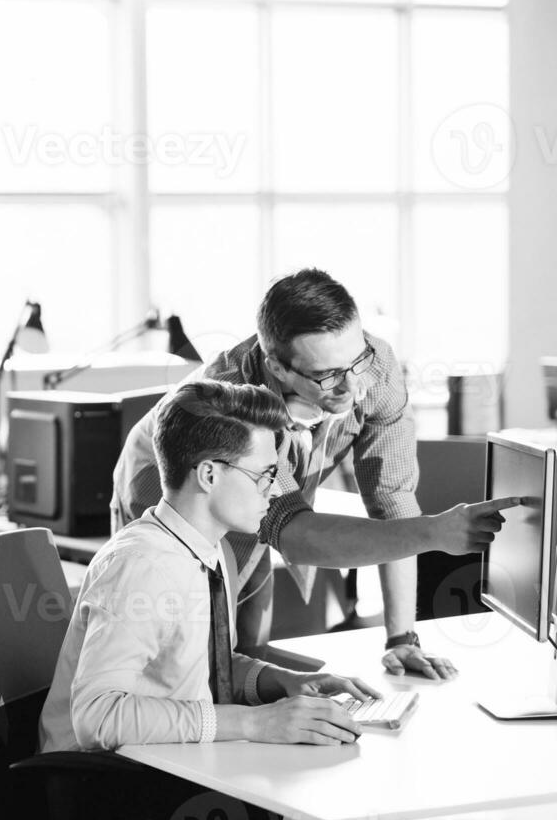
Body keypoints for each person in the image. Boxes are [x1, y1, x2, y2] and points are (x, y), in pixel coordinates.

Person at [41, 380, 503, 820]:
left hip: (172, 771)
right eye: (264, 474)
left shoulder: (204, 546)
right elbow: (96, 718)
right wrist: (258, 724)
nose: (275, 487)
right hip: (113, 799)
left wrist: (279, 683)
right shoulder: (144, 566)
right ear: (210, 474)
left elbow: (194, 663)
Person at [113, 267, 507, 678]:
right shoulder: (233, 404)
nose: (352, 387)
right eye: (327, 375)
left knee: (249, 647)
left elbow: (393, 501)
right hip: (173, 484)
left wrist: (402, 638)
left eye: (357, 361)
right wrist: (435, 533)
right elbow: (294, 533)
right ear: (278, 367)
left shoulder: (376, 367)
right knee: (190, 653)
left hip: (257, 491)